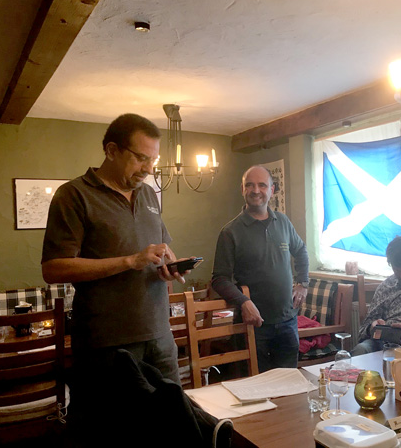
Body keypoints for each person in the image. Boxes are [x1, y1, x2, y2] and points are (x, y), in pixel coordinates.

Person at [41, 114, 190, 438]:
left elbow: (161, 249)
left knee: (172, 426)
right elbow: (53, 268)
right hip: (106, 344)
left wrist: (169, 266)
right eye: (140, 158)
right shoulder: (74, 195)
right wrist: (129, 261)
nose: (148, 169)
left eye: (153, 160)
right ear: (111, 150)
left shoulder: (148, 195)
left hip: (159, 335)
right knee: (114, 433)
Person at [212, 165, 309, 372]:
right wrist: (244, 302)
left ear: (271, 190)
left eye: (262, 185)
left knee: (288, 384)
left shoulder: (283, 222)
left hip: (287, 321)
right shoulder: (230, 232)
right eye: (250, 185)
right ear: (242, 189)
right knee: (256, 386)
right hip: (253, 326)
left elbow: (301, 250)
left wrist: (303, 283)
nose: (256, 190)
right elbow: (219, 279)